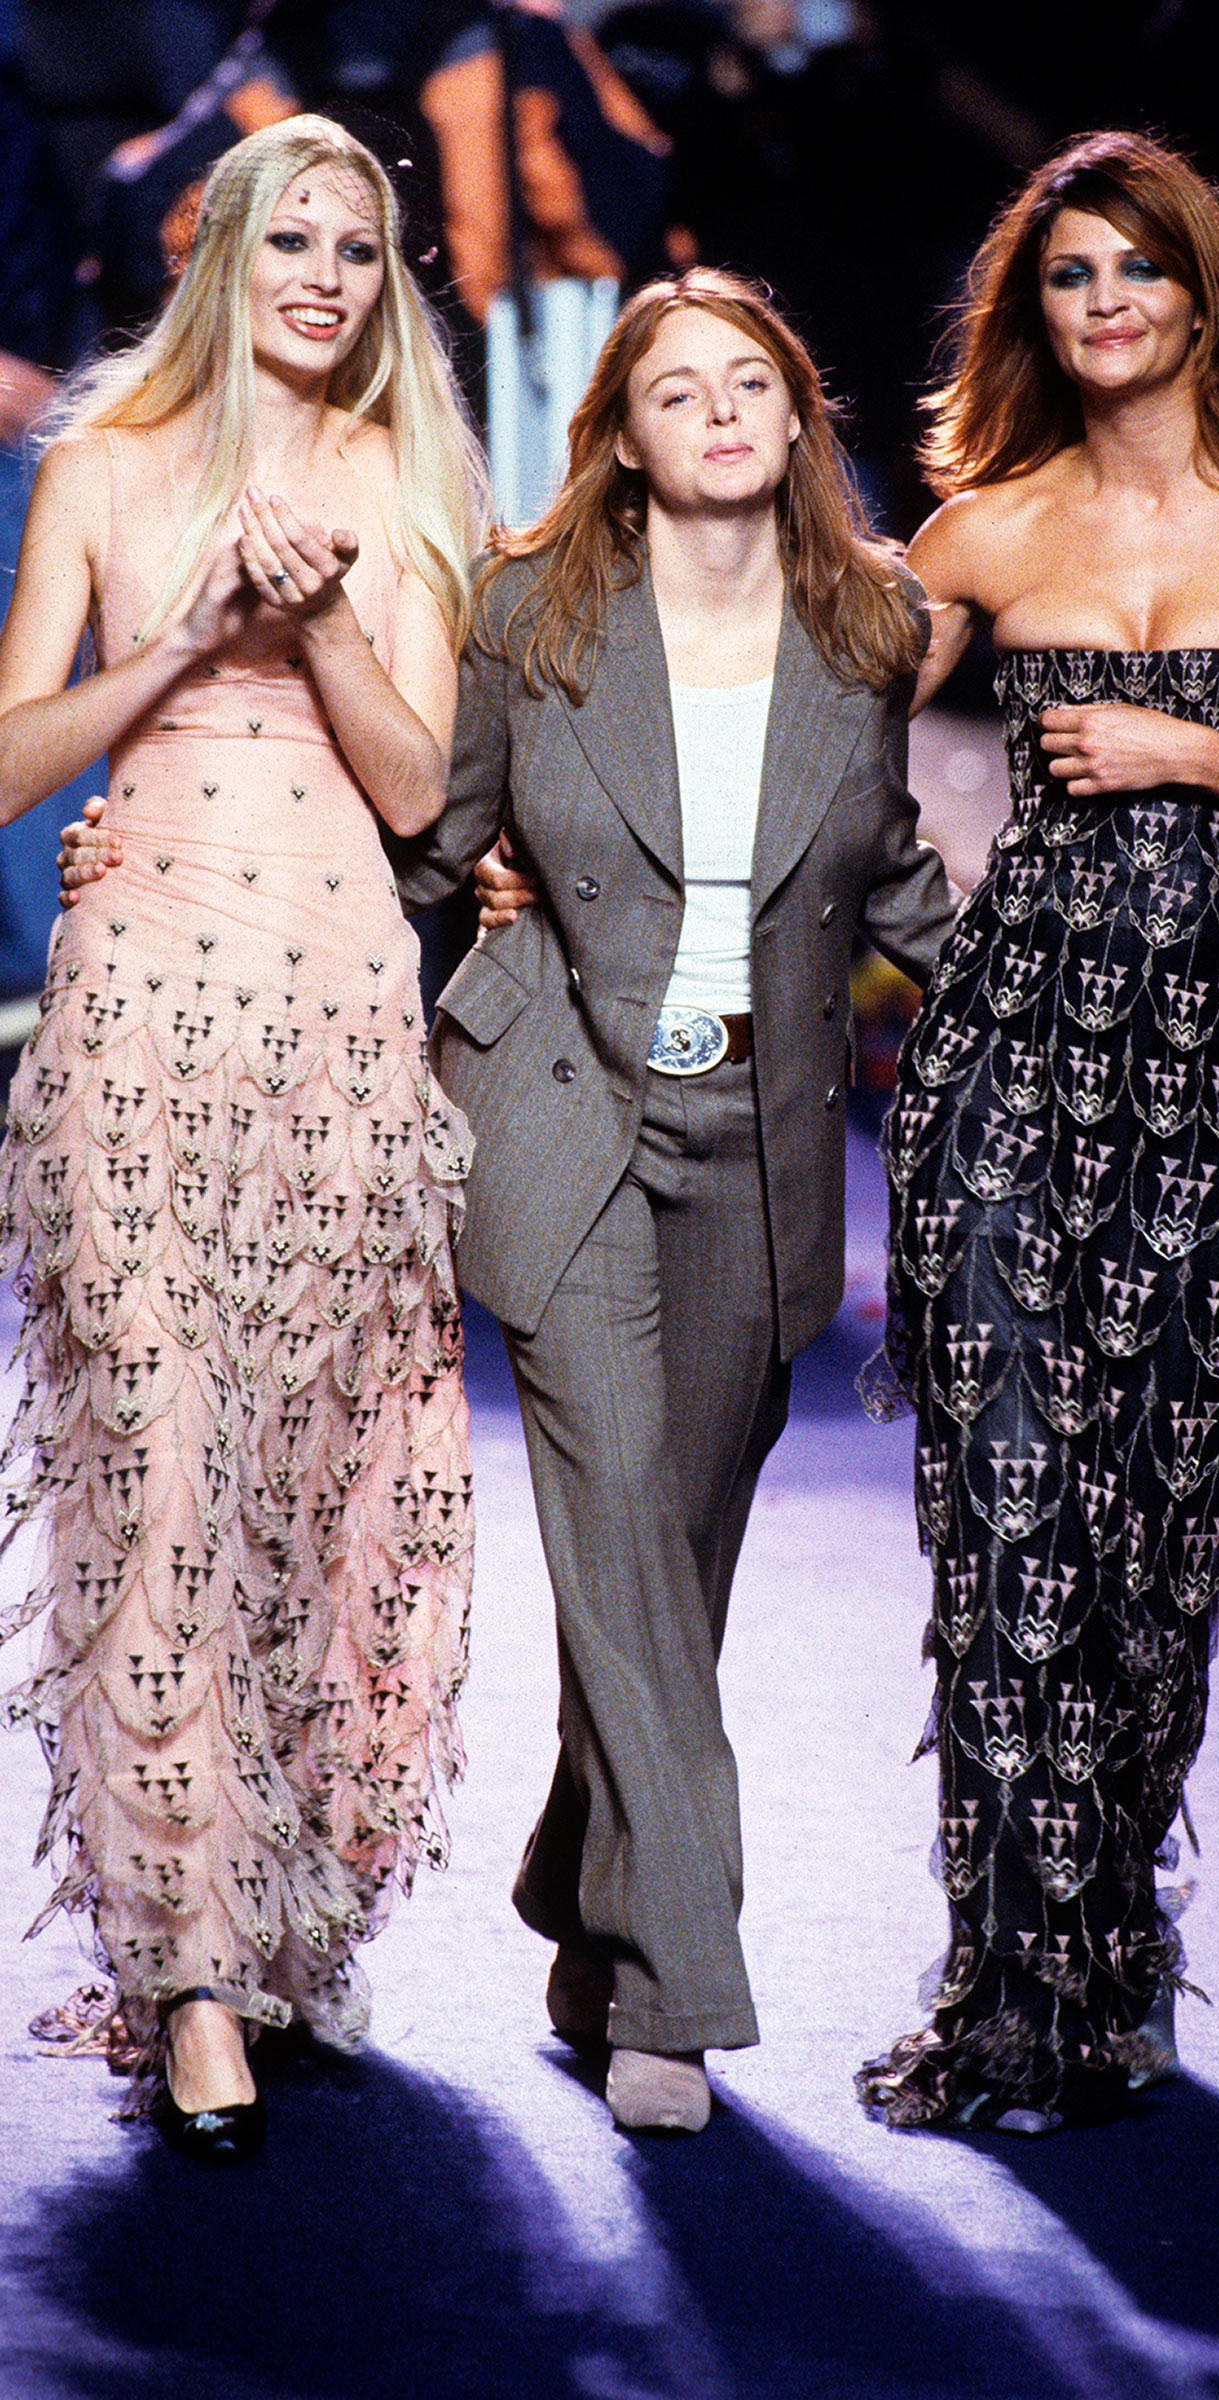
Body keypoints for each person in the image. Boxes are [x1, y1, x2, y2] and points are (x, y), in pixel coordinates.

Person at [856, 130, 1219, 2131]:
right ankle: (1001, 1988)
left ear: (1202, 297)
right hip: (1009, 1071)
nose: (1101, 305)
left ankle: (1106, 1947)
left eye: (1134, 272)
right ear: (1038, 313)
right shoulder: (980, 530)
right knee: (1005, 1526)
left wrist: (1190, 750)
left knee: (1150, 1552)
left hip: (1210, 1087)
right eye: (1066, 279)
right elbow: (814, 769)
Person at [392, 267, 957, 2132]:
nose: (718, 411)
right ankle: (680, 1993)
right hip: (562, 1111)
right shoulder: (529, 615)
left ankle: (588, 1895)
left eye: (750, 384)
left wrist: (1036, 1005)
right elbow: (439, 845)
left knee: (666, 1571)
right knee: (621, 1522)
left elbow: (882, 886)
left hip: (764, 1149)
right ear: (621, 438)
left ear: (797, 422)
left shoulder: (870, 632)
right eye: (675, 390)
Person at [0, 114, 487, 2159]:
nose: (323, 278)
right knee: (159, 1469)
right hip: (133, 1019)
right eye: (291, 240)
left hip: (338, 1029)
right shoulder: (102, 471)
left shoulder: (417, 474)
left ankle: (291, 1926)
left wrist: (328, 628)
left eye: (360, 252)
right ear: (217, 253)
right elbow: (12, 758)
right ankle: (186, 1964)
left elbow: (413, 791)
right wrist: (192, 633)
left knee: (327, 1480)